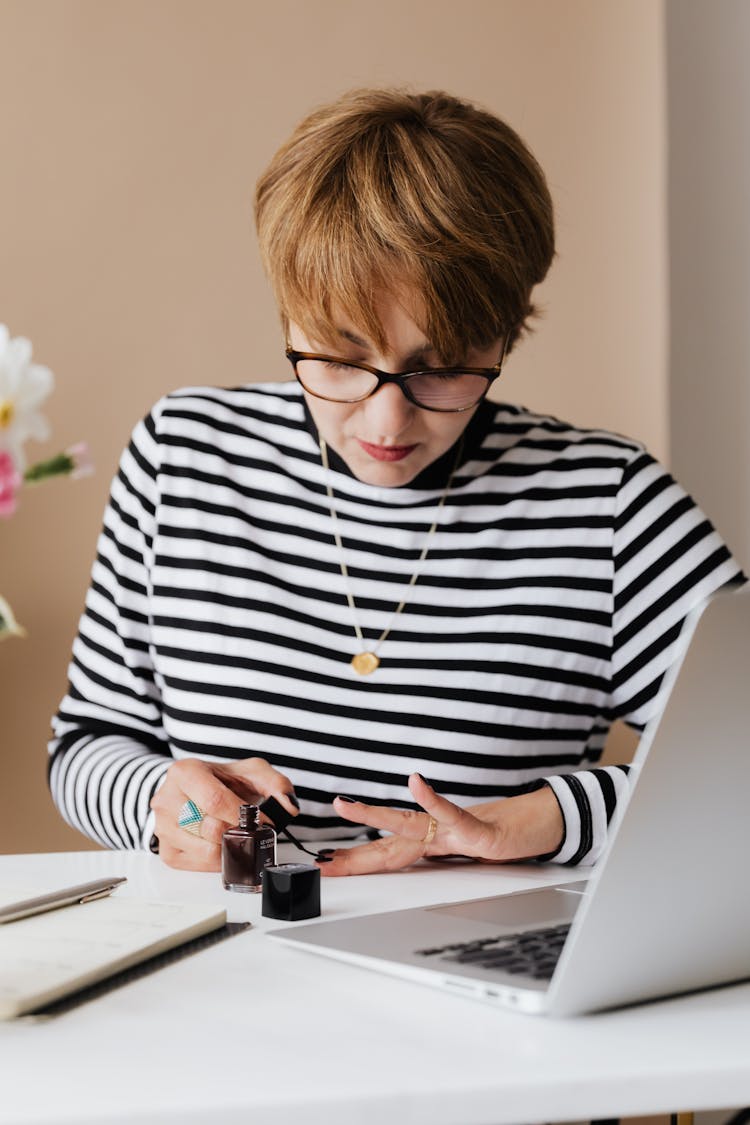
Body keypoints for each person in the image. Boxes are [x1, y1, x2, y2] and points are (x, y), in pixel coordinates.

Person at [49, 88, 744, 877]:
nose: (386, 423)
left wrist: (542, 820)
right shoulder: (184, 453)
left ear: (506, 332)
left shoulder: (606, 503)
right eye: (341, 358)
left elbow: (739, 762)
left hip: (480, 980)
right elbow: (83, 747)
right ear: (287, 317)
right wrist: (162, 803)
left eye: (440, 367)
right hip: (217, 965)